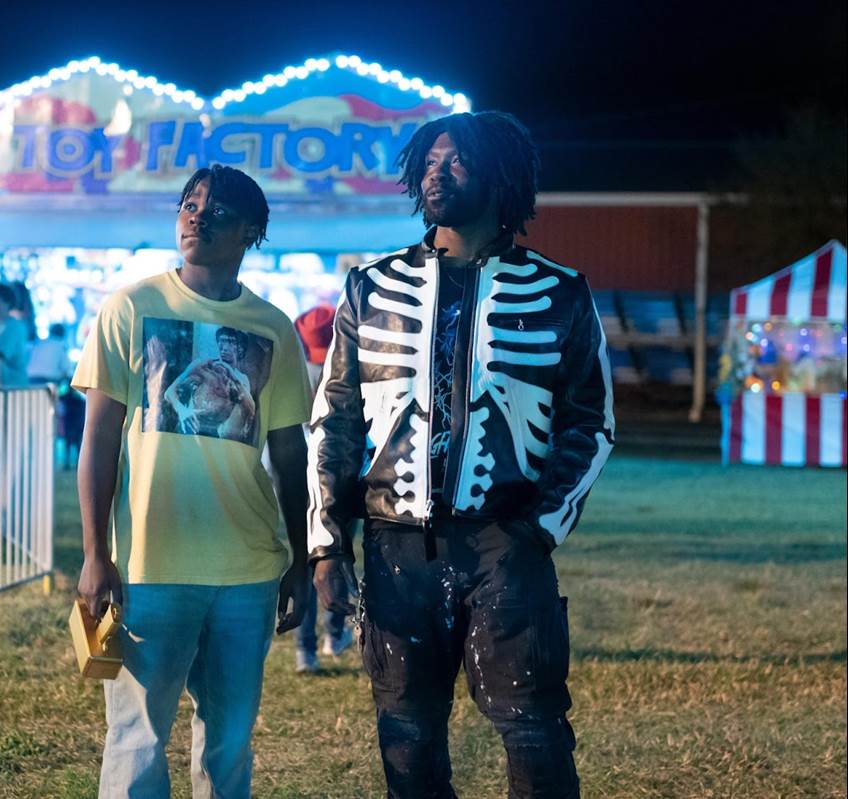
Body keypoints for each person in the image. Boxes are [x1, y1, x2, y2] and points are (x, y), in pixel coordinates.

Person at [308, 111, 615, 799]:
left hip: (507, 542)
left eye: (456, 161)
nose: (436, 174)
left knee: (533, 728)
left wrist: (538, 529)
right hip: (394, 544)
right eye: (428, 161)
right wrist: (327, 543)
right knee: (407, 735)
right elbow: (335, 420)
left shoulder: (561, 291)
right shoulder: (370, 286)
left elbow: (590, 423)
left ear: (499, 175)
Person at [73, 164, 312, 799]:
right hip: (151, 565)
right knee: (137, 739)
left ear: (250, 231)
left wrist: (302, 557)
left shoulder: (273, 327)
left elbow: (291, 452)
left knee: (230, 740)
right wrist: (96, 554)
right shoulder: (130, 308)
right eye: (189, 204)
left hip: (248, 569)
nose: (197, 218)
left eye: (217, 211)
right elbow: (98, 438)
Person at [291, 304, 352, 673]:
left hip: (298, 479)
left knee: (304, 560)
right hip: (337, 480)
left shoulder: (293, 368)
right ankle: (334, 633)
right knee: (337, 554)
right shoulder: (344, 370)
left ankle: (306, 651)